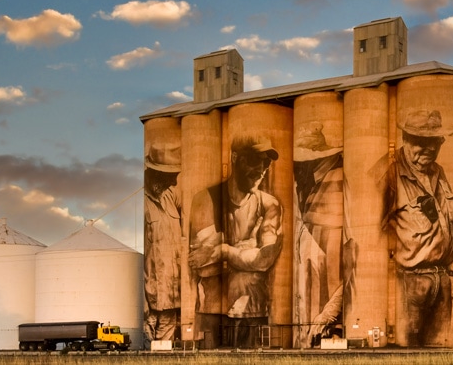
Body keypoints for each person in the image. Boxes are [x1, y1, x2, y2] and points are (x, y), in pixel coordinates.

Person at [188, 136, 283, 348]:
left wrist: (223, 250)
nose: (260, 169)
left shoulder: (269, 205)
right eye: (253, 160)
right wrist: (246, 249)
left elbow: (265, 258)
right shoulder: (206, 199)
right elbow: (203, 266)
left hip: (251, 310)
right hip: (211, 310)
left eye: (266, 163)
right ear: (235, 158)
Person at [375, 109, 453, 347]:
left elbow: (448, 228)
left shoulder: (438, 173)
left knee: (440, 354)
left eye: (435, 141)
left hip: (442, 281)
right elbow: (372, 232)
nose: (430, 149)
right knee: (406, 353)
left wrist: (450, 273)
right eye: (422, 142)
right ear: (406, 140)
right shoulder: (388, 173)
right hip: (409, 281)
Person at [293, 122, 345, 348]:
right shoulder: (308, 184)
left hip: (329, 307)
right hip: (310, 307)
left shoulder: (340, 179)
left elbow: (359, 257)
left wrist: (330, 311)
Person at [143, 141, 182, 346]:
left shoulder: (169, 198)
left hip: (172, 297)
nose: (174, 182)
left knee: (164, 352)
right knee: (148, 348)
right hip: (151, 302)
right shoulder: (142, 204)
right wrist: (142, 303)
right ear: (154, 173)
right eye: (171, 176)